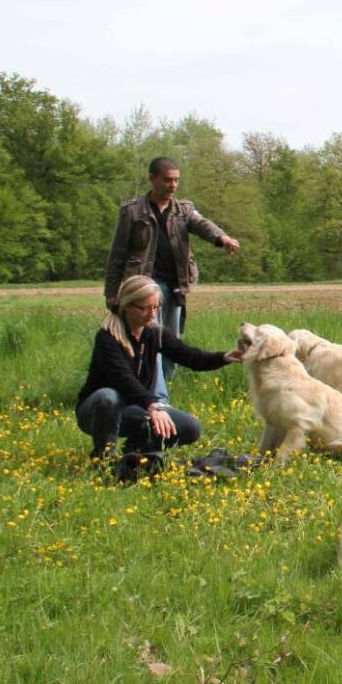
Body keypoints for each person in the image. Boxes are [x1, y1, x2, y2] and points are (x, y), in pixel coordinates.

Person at [104, 156, 240, 401]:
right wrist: (111, 293)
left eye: (176, 180)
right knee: (151, 341)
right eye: (167, 180)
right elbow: (117, 255)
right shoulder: (132, 212)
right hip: (144, 289)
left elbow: (203, 225)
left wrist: (223, 239)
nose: (173, 185)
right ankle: (157, 398)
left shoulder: (183, 210)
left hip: (176, 286)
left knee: (172, 344)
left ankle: (161, 388)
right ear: (152, 179)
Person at [76, 275, 241, 470]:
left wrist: (223, 357)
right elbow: (123, 379)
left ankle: (136, 455)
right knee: (108, 397)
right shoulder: (107, 338)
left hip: (135, 409)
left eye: (155, 307)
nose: (152, 314)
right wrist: (153, 405)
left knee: (190, 427)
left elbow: (189, 356)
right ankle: (103, 460)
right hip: (97, 412)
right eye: (145, 308)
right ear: (127, 305)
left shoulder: (154, 333)